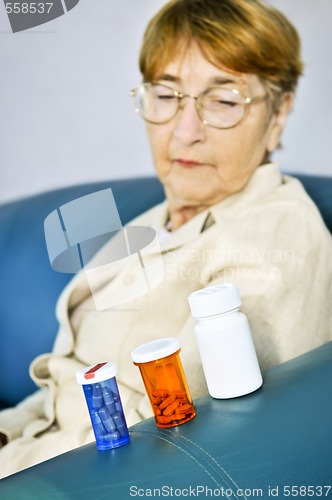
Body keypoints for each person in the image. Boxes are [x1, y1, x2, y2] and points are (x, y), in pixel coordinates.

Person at [0, 0, 331, 478]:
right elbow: (63, 386)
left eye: (222, 99)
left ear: (278, 112)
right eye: (166, 96)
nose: (185, 131)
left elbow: (175, 444)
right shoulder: (154, 220)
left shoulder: (277, 234)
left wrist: (10, 463)